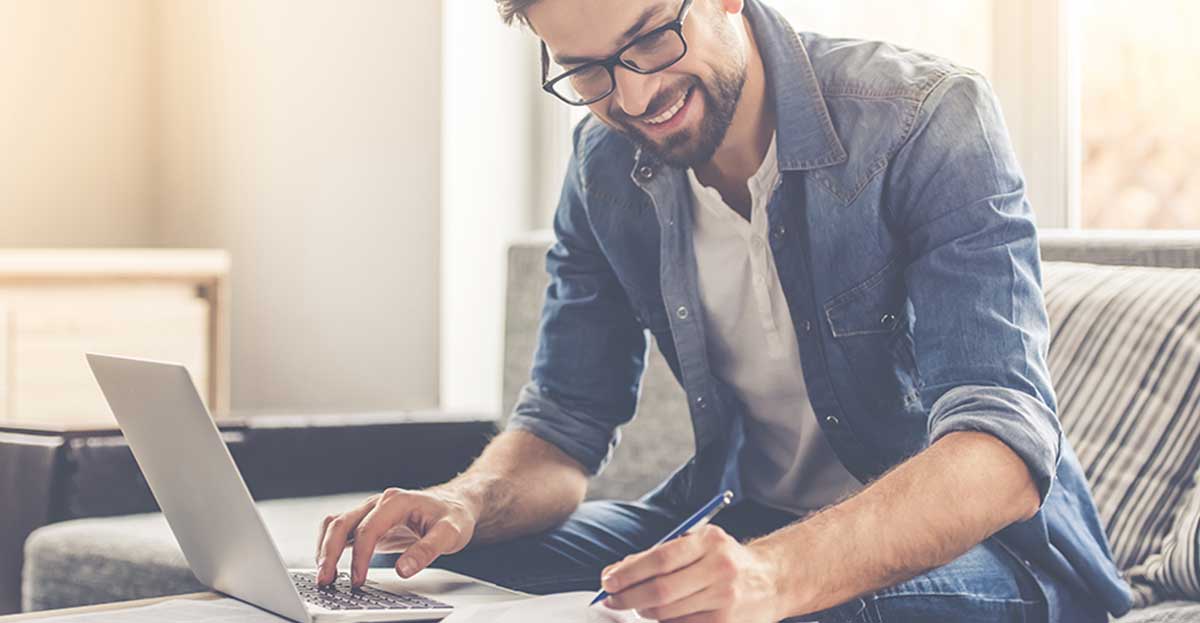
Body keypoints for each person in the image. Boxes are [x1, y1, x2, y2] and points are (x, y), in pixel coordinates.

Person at [316, 1, 1133, 621]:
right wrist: (466, 502)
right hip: (741, 520)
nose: (633, 96)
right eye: (590, 71)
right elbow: (564, 425)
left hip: (997, 553)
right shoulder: (605, 167)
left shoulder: (927, 118)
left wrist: (774, 573)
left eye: (649, 39)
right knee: (426, 585)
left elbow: (1000, 452)